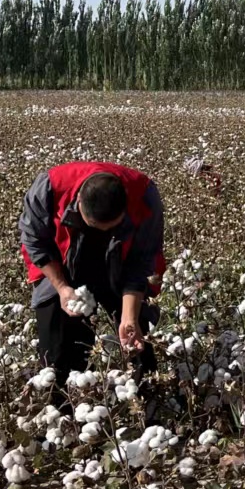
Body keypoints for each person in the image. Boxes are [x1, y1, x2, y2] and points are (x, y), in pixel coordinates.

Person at [19, 162, 164, 398]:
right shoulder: (48, 187)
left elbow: (142, 262)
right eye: (94, 226)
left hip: (121, 263)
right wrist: (63, 288)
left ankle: (147, 407)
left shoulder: (145, 196)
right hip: (62, 264)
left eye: (109, 227)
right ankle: (62, 411)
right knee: (55, 353)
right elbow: (34, 241)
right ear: (77, 204)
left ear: (125, 210)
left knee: (137, 343)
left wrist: (129, 317)